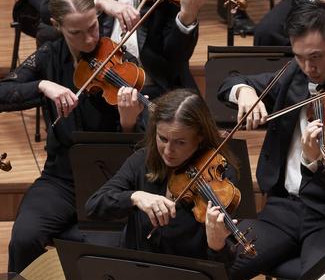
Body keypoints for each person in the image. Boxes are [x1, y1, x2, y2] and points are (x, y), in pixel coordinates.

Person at [217, 1, 325, 280]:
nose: (309, 68)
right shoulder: (295, 74)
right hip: (282, 210)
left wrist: (317, 160)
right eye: (299, 57)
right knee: (217, 270)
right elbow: (230, 82)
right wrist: (244, 92)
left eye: (316, 57)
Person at [0, 0, 145, 273]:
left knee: (106, 256)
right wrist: (42, 86)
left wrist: (128, 122)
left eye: (93, 27)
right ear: (58, 26)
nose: (89, 39)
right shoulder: (48, 57)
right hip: (61, 179)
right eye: (76, 32)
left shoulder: (119, 60)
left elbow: (146, 138)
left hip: (112, 183)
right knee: (24, 238)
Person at [86, 89, 237, 261]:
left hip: (189, 277)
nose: (168, 150)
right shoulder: (143, 161)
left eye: (180, 142)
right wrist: (135, 197)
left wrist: (216, 245)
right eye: (163, 139)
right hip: (137, 271)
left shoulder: (219, 174)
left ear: (200, 137)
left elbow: (226, 269)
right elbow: (93, 206)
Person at [41, 0, 207, 98]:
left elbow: (176, 57)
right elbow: (49, 9)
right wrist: (98, 2)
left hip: (156, 88)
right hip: (102, 85)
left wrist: (187, 15)